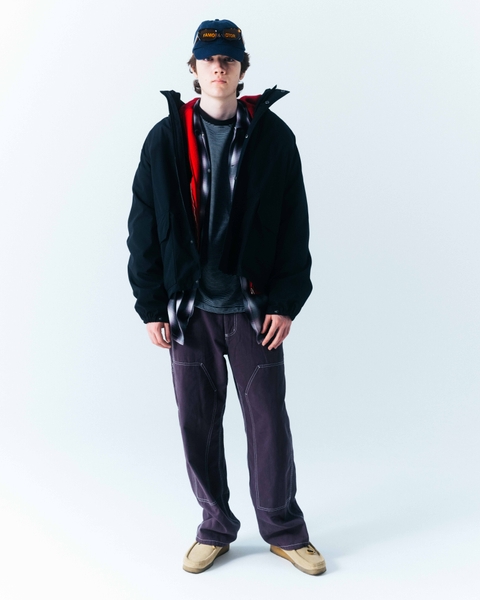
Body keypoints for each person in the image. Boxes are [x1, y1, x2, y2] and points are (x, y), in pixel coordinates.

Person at [127, 18, 326, 576]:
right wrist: (150, 306)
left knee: (268, 422)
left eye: (229, 59)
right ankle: (215, 526)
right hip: (188, 312)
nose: (219, 67)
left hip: (253, 309)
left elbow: (294, 225)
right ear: (194, 68)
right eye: (209, 59)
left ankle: (283, 529)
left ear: (242, 70)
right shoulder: (165, 138)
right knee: (197, 423)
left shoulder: (274, 137)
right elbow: (143, 226)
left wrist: (285, 301)